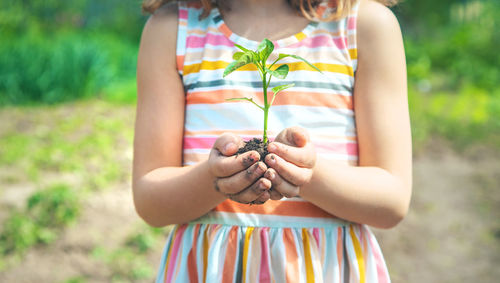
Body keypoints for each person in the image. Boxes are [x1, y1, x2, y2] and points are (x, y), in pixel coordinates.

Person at [133, 0, 411, 281]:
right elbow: (150, 202)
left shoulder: (365, 26)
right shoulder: (172, 30)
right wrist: (214, 178)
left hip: (324, 269)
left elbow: (392, 200)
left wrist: (308, 175)